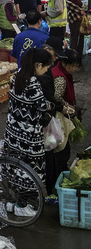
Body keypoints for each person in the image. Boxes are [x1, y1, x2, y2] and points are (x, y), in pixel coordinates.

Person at [5, 48, 54, 217]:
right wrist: (52, 105)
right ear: (38, 64)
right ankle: (21, 204)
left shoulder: (18, 74)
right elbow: (42, 105)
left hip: (13, 131)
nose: (47, 70)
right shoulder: (32, 82)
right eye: (46, 67)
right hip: (28, 135)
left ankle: (11, 202)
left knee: (13, 167)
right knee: (28, 169)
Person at [46, 48, 81, 200]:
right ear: (65, 63)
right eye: (73, 66)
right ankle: (57, 184)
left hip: (56, 118)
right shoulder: (60, 78)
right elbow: (56, 98)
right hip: (57, 120)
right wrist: (68, 108)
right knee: (60, 151)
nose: (75, 69)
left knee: (56, 151)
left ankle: (55, 180)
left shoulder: (59, 71)